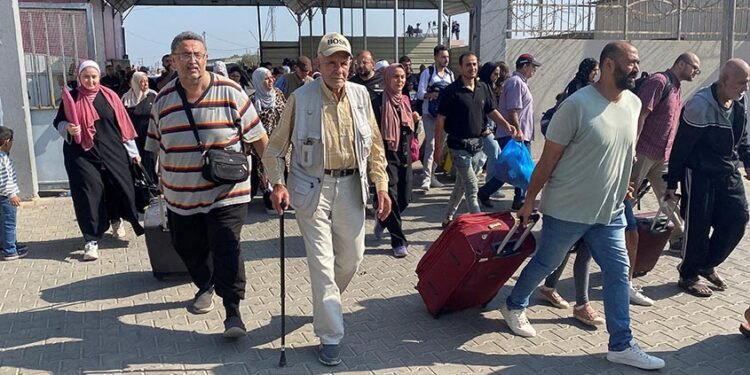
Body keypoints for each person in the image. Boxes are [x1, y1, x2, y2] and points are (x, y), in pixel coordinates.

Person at [501, 42, 665, 370]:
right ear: (607, 65)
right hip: (568, 210)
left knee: (619, 273)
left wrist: (625, 185)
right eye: (630, 63)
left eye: (637, 63)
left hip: (610, 212)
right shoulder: (576, 106)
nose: (636, 69)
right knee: (547, 263)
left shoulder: (633, 104)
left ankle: (621, 343)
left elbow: (622, 151)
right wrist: (530, 200)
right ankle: (514, 304)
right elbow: (548, 161)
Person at [263, 32, 391, 366]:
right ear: (319, 63)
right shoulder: (301, 98)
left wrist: (381, 185)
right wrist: (278, 184)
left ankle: (325, 304)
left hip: (351, 186)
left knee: (352, 257)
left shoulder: (362, 96)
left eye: (344, 61)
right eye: (331, 62)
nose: (338, 68)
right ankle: (330, 335)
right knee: (321, 264)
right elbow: (275, 150)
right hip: (310, 189)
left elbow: (375, 146)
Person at [145, 31, 269, 338]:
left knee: (226, 246)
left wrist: (274, 179)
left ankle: (233, 312)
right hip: (180, 196)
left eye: (198, 54)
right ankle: (206, 283)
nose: (192, 61)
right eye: (185, 55)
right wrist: (158, 181)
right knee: (186, 246)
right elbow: (155, 147)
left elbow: (260, 139)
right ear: (172, 61)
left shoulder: (231, 92)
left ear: (206, 58)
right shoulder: (162, 100)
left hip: (227, 192)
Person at [665, 58, 750, 298]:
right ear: (724, 81)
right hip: (699, 174)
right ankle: (688, 274)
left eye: (748, 83)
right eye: (741, 83)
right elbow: (681, 148)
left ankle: (706, 264)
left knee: (737, 219)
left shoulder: (739, 102)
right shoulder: (699, 105)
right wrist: (672, 182)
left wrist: (748, 160)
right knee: (698, 227)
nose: (745, 88)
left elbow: (742, 137)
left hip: (728, 172)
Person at [533, 57, 602, 327]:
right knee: (565, 247)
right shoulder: (579, 96)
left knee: (580, 247)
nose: (596, 75)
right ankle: (530, 294)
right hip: (572, 181)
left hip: (589, 187)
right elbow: (560, 147)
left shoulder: (592, 94)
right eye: (594, 71)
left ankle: (576, 300)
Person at [53, 60, 145, 261]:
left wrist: (133, 152)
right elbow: (58, 121)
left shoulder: (110, 96)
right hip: (81, 154)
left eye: (94, 76)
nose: (90, 80)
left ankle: (116, 219)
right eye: (86, 76)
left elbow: (123, 125)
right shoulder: (72, 97)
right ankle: (91, 239)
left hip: (113, 151)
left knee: (118, 187)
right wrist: (68, 128)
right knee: (88, 193)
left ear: (99, 77)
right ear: (79, 77)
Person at [434, 52, 520, 228]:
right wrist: (437, 149)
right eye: (468, 65)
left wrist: (508, 126)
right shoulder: (451, 91)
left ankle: (447, 218)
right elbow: (440, 120)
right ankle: (481, 226)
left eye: (474, 64)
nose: (472, 68)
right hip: (458, 147)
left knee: (461, 184)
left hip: (477, 147)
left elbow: (491, 111)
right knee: (472, 186)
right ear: (460, 68)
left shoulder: (483, 87)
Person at [477, 53, 540, 210]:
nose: (534, 70)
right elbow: (513, 109)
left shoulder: (520, 83)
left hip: (519, 134)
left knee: (516, 169)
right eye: (533, 67)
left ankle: (516, 198)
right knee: (516, 169)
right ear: (525, 66)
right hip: (513, 134)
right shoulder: (515, 83)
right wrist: (517, 131)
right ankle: (514, 198)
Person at [372, 63, 420, 257]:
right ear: (387, 78)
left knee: (404, 198)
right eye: (395, 77)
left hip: (405, 155)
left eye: (402, 77)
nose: (399, 81)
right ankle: (398, 241)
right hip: (386, 155)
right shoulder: (378, 101)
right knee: (391, 197)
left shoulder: (406, 100)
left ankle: (382, 220)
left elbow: (411, 129)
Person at [249, 67, 287, 214]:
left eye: (271, 77)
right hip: (261, 144)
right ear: (258, 81)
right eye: (266, 78)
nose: (270, 80)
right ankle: (269, 198)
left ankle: (282, 196)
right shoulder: (253, 100)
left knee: (282, 171)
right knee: (265, 172)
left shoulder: (278, 94)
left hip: (281, 142)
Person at [417, 45, 454, 191]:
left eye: (447, 57)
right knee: (431, 145)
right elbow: (420, 93)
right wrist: (431, 95)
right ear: (435, 57)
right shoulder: (428, 72)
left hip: (445, 115)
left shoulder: (450, 74)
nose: (446, 60)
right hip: (430, 114)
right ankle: (426, 178)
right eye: (443, 57)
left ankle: (432, 174)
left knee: (440, 145)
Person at [122, 71, 158, 184]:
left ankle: (152, 184)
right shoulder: (126, 98)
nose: (145, 84)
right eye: (141, 82)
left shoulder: (153, 96)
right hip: (133, 137)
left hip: (149, 135)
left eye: (146, 81)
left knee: (150, 160)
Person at [0, 127, 27, 261]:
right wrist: (12, 194)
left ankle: (6, 245)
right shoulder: (2, 158)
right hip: (5, 197)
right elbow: (5, 179)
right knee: (9, 224)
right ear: (6, 142)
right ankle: (10, 251)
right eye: (12, 141)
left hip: (3, 195)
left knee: (2, 223)